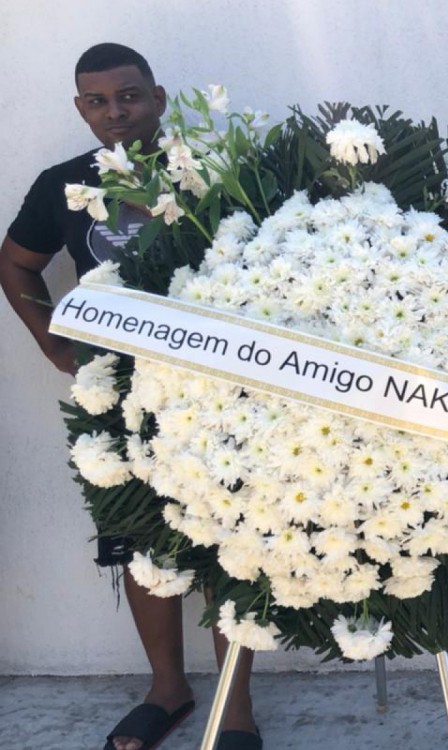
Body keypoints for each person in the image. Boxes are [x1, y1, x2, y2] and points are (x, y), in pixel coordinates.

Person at [0, 44, 261, 750]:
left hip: (215, 393)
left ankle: (234, 710)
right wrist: (52, 343)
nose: (116, 112)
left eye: (130, 96)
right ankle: (167, 692)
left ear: (160, 97)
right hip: (116, 394)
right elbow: (16, 260)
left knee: (223, 543)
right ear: (81, 109)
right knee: (141, 541)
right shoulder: (62, 185)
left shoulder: (210, 169)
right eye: (98, 101)